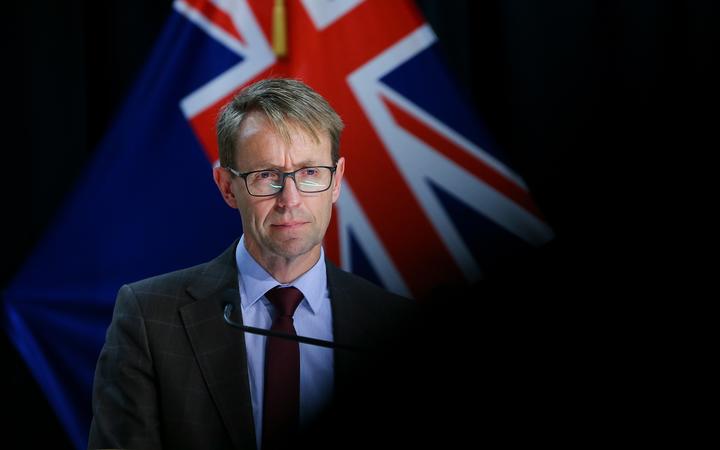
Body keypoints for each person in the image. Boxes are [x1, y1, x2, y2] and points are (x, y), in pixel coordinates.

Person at [87, 78, 421, 450]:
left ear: (337, 180)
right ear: (228, 187)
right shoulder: (149, 317)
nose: (289, 199)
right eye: (267, 176)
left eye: (310, 173)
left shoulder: (398, 328)